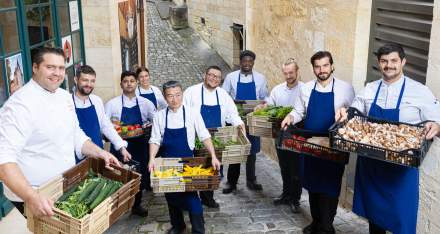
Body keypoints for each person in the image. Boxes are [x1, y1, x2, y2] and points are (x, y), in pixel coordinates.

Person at [0, 47, 120, 217]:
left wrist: (100, 153)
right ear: (35, 68)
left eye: (61, 68)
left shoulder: (64, 97)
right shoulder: (19, 106)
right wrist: (32, 197)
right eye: (50, 67)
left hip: (64, 185)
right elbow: (4, 162)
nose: (57, 73)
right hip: (37, 192)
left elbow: (76, 136)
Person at [336, 43, 440, 234]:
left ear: (403, 62)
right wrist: (344, 112)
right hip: (372, 165)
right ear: (379, 63)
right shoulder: (369, 89)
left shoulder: (420, 91)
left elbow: (437, 120)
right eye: (384, 61)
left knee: (402, 219)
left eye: (394, 61)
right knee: (375, 218)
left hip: (401, 168)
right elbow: (354, 111)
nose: (389, 65)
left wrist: (437, 125)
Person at [281, 51, 355, 234]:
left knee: (330, 186)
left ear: (332, 66)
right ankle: (316, 222)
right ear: (313, 68)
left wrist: (346, 117)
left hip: (334, 147)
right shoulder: (306, 88)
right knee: (312, 185)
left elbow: (353, 115)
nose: (322, 70)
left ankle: (327, 226)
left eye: (325, 65)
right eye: (317, 66)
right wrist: (290, 117)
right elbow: (300, 111)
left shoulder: (346, 88)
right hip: (311, 145)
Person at [148, 80, 221, 234]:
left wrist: (213, 156)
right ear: (164, 97)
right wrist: (151, 158)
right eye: (170, 96)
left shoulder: (192, 113)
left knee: (193, 199)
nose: (174, 99)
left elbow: (204, 136)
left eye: (177, 95)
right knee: (171, 196)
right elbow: (155, 140)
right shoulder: (160, 116)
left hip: (188, 162)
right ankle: (178, 226)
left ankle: (198, 230)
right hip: (167, 163)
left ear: (182, 94)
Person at [183, 65, 245, 208]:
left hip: (217, 138)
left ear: (220, 80)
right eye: (211, 75)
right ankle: (191, 199)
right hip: (196, 137)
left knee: (213, 169)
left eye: (217, 77)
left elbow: (232, 114)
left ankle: (207, 198)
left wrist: (239, 123)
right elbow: (183, 112)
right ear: (205, 75)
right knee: (195, 169)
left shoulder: (223, 95)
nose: (213, 78)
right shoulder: (191, 92)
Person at [105, 71, 156, 217]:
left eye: (132, 81)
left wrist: (147, 126)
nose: (129, 83)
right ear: (121, 84)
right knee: (119, 175)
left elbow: (156, 121)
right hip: (120, 146)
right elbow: (105, 124)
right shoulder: (112, 104)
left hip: (140, 145)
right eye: (125, 81)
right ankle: (117, 207)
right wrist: (114, 128)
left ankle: (136, 205)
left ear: (136, 83)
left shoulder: (146, 103)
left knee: (139, 176)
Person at [257, 58, 304, 213]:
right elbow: (269, 104)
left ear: (297, 71)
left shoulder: (305, 89)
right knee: (284, 166)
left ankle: (295, 199)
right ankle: (285, 194)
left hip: (298, 135)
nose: (289, 75)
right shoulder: (277, 89)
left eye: (291, 72)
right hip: (280, 134)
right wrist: (262, 106)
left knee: (295, 169)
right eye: (286, 73)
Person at [221, 50, 269, 193]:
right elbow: (224, 96)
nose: (247, 63)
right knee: (235, 150)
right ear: (240, 62)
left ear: (253, 62)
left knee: (251, 152)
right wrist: (234, 104)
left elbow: (265, 97)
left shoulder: (260, 78)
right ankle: (231, 182)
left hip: (253, 119)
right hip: (235, 119)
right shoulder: (231, 77)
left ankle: (251, 180)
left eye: (250, 61)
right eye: (244, 61)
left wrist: (260, 105)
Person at [72, 65, 131, 163]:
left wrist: (121, 147)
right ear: (76, 79)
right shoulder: (68, 103)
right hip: (77, 158)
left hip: (99, 155)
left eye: (92, 81)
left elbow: (106, 126)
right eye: (85, 80)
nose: (89, 84)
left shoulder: (96, 101)